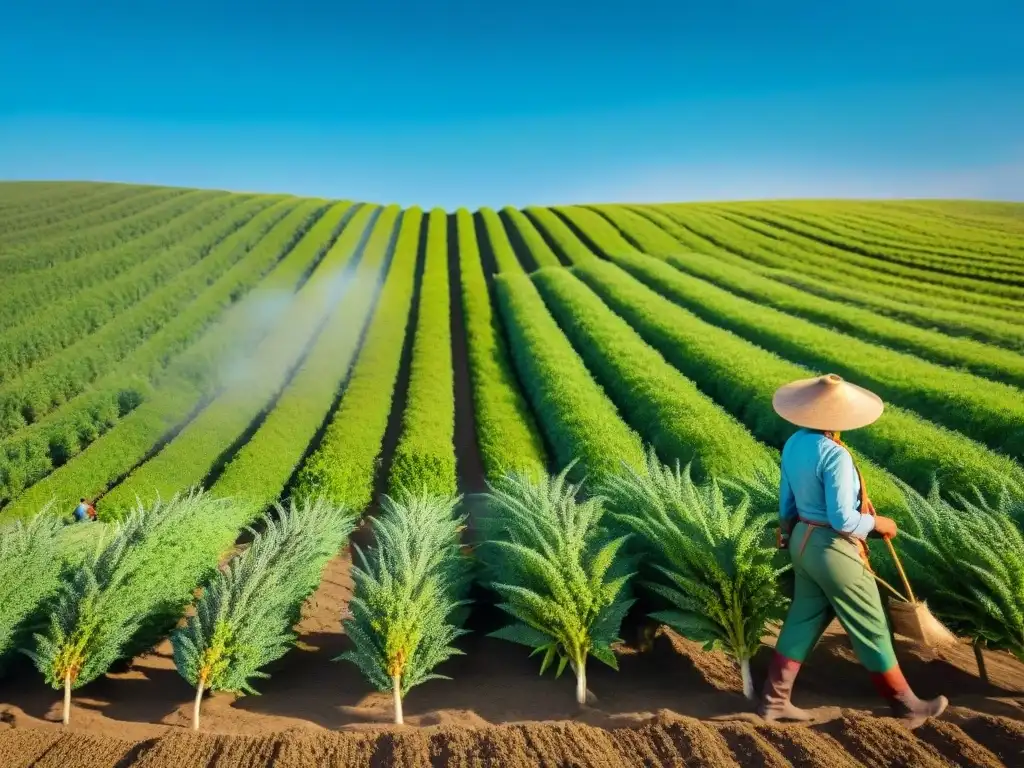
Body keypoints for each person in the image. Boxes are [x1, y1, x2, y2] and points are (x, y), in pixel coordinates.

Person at [758, 373, 948, 729]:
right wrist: (879, 525)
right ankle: (907, 707)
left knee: (802, 619)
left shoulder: (795, 443)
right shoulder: (835, 455)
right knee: (871, 623)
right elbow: (843, 519)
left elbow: (786, 503)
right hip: (833, 549)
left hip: (802, 542)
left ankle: (773, 702)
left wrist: (786, 532)